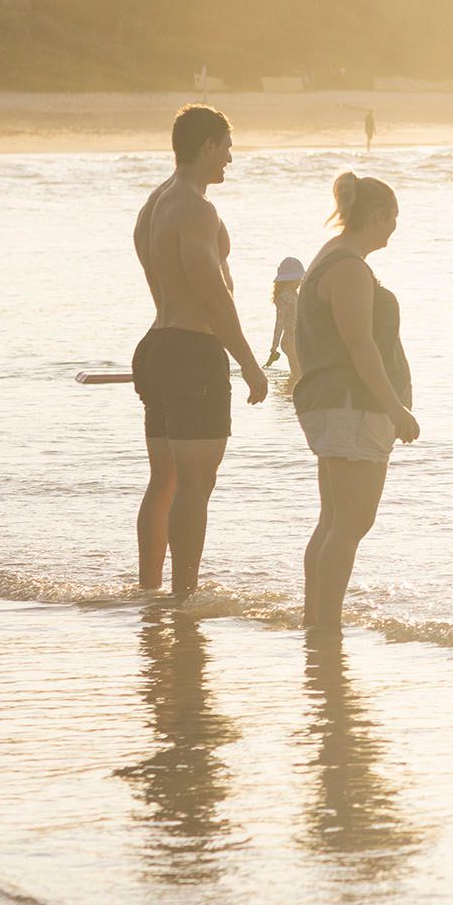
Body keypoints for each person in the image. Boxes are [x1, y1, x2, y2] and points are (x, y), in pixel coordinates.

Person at [131, 105, 271, 596]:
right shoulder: (195, 208)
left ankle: (151, 592)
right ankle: (183, 598)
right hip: (191, 352)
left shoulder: (154, 204)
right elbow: (211, 293)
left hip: (158, 345)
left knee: (163, 481)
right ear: (207, 146)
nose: (230, 158)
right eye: (226, 147)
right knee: (195, 486)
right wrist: (249, 364)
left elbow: (162, 282)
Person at [295, 172, 421, 635]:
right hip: (353, 405)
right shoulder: (348, 267)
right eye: (394, 216)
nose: (396, 227)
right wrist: (396, 409)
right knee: (351, 522)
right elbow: (360, 346)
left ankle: (316, 621)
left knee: (334, 520)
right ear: (377, 215)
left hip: (334, 403)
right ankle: (326, 627)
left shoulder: (332, 256)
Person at [266, 256, 306, 374]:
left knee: (298, 374)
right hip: (290, 342)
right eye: (298, 279)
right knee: (298, 374)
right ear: (289, 280)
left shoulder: (293, 294)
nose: (300, 282)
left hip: (295, 341)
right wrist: (274, 347)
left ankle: (290, 385)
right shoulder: (284, 297)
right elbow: (280, 323)